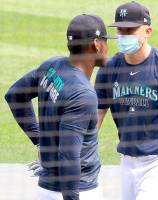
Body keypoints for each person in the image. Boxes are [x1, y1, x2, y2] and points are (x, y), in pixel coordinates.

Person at [5, 14, 113, 200]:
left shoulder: (51, 66)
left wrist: (39, 139)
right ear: (97, 44)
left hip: (46, 188)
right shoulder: (83, 95)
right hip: (78, 191)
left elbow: (14, 95)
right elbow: (69, 157)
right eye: (105, 40)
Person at [95, 1, 158, 200]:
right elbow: (97, 113)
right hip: (127, 162)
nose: (123, 35)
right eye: (120, 30)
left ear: (148, 31)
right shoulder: (110, 68)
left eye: (130, 30)